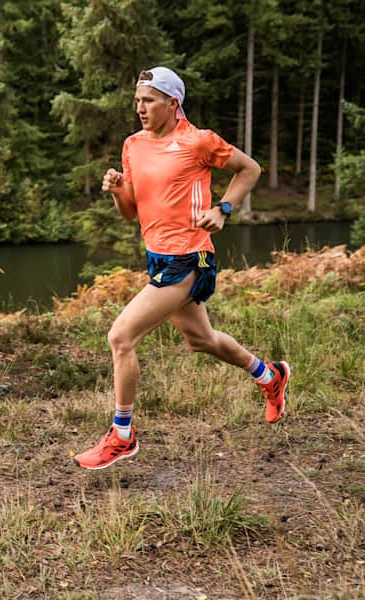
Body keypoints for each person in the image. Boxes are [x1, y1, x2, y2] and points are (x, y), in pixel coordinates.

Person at [74, 66, 290, 470]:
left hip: (191, 257)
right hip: (158, 255)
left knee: (121, 336)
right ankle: (269, 375)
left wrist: (223, 208)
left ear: (173, 103)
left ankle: (122, 435)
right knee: (201, 340)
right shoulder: (133, 145)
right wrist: (120, 190)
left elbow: (251, 169)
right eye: (137, 100)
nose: (140, 107)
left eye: (149, 100)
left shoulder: (197, 141)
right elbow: (132, 212)